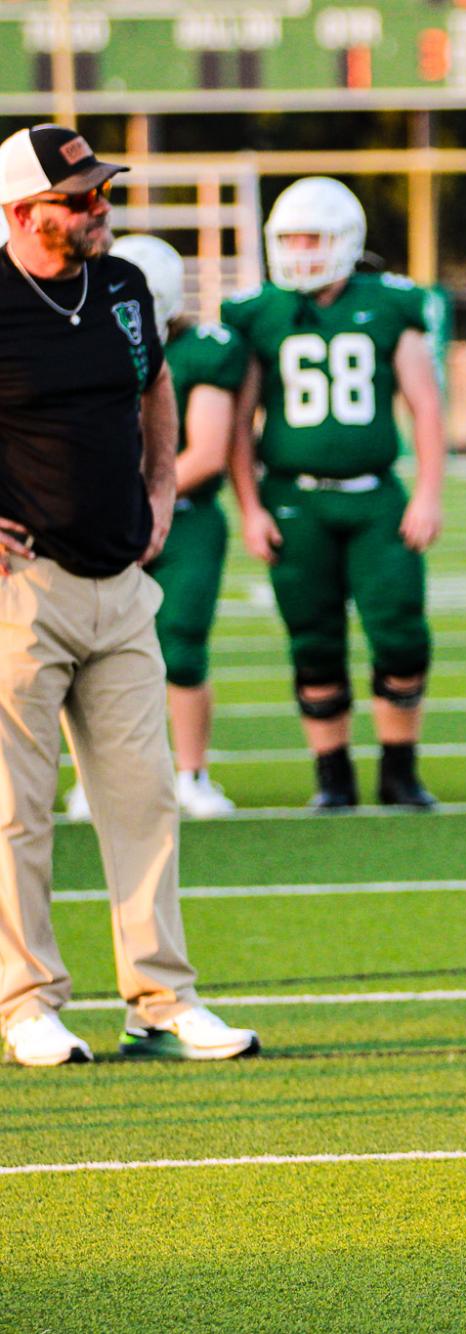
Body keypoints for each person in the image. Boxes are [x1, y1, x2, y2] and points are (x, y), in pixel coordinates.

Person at [0, 124, 257, 1065]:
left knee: (146, 797)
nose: (100, 208)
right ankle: (26, 1003)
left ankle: (160, 999)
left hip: (122, 581)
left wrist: (160, 493)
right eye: (79, 199)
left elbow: (155, 388)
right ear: (23, 212)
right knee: (16, 810)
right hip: (22, 590)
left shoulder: (123, 285)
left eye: (102, 192)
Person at [224, 177, 447, 810]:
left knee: (400, 632)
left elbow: (425, 406)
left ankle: (400, 772)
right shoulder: (259, 312)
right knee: (313, 638)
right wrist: (250, 507)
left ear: (348, 241)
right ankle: (332, 778)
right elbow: (240, 424)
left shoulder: (389, 304)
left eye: (313, 238)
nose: (300, 249)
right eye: (290, 237)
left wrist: (428, 492)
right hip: (294, 498)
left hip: (376, 496)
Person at [71, 235, 244, 819]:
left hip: (183, 517)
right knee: (90, 656)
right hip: (97, 520)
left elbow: (208, 452)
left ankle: (191, 773)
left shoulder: (201, 351)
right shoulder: (76, 345)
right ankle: (95, 780)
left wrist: (144, 506)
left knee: (183, 645)